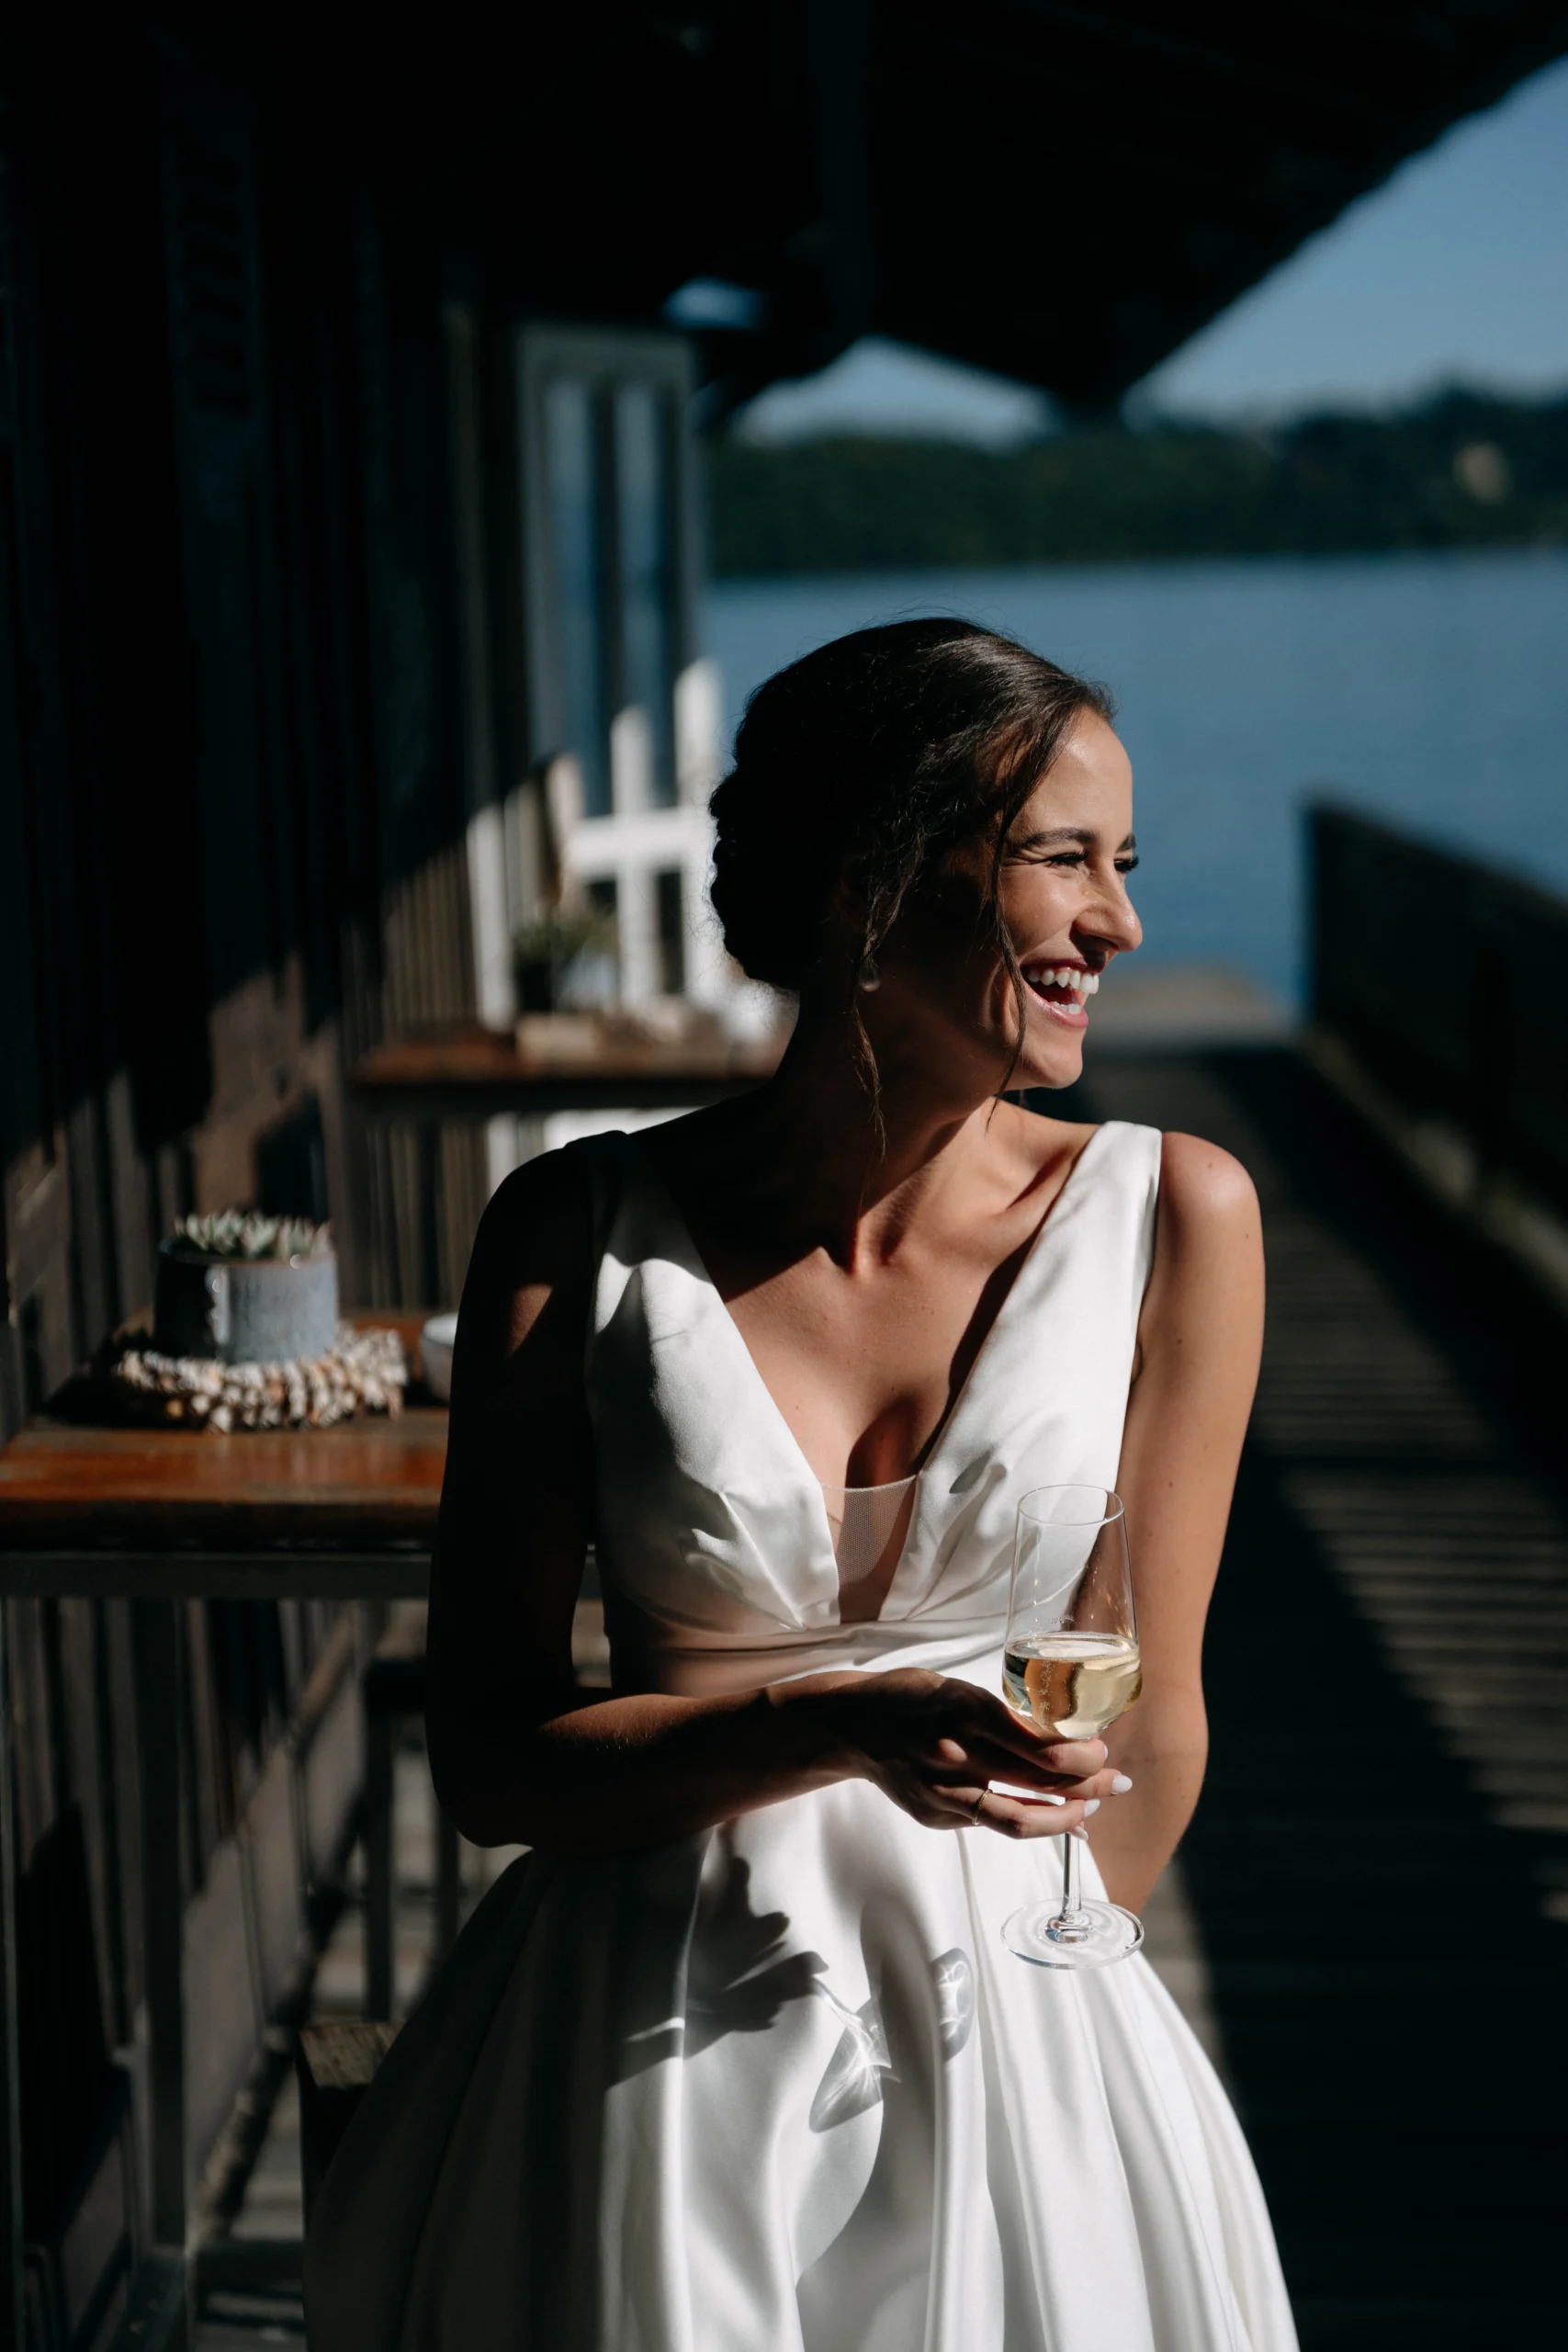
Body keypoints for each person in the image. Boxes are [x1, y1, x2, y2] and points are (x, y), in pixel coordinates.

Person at [305, 620, 1296, 2350]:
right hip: (646, 2046)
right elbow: (487, 1754)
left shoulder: (1175, 1215)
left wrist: (1051, 2023)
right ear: (871, 879)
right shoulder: (572, 1232)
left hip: (1030, 2036)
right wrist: (837, 1730)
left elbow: (1166, 1712)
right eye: (1063, 862)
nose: (1119, 925)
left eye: (1121, 866)